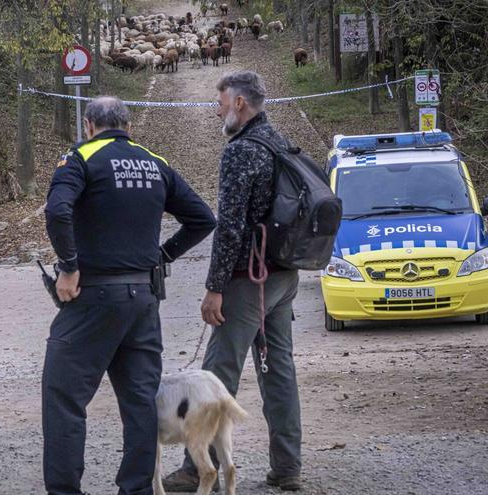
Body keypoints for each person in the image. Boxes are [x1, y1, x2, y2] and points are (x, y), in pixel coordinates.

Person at [42, 96, 216, 495]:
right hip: (143, 300)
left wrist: (68, 266)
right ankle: (137, 489)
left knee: (63, 396)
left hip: (93, 298)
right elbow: (203, 218)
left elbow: (57, 211)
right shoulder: (154, 162)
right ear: (129, 127)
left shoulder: (81, 158)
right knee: (140, 401)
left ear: (88, 126)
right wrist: (163, 255)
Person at [161, 70, 303, 492]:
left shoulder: (241, 150)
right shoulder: (280, 143)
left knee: (216, 376)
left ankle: (195, 469)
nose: (217, 110)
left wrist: (215, 287)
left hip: (247, 280)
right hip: (283, 276)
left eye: (220, 102)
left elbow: (230, 227)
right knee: (279, 371)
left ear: (240, 103)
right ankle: (287, 467)